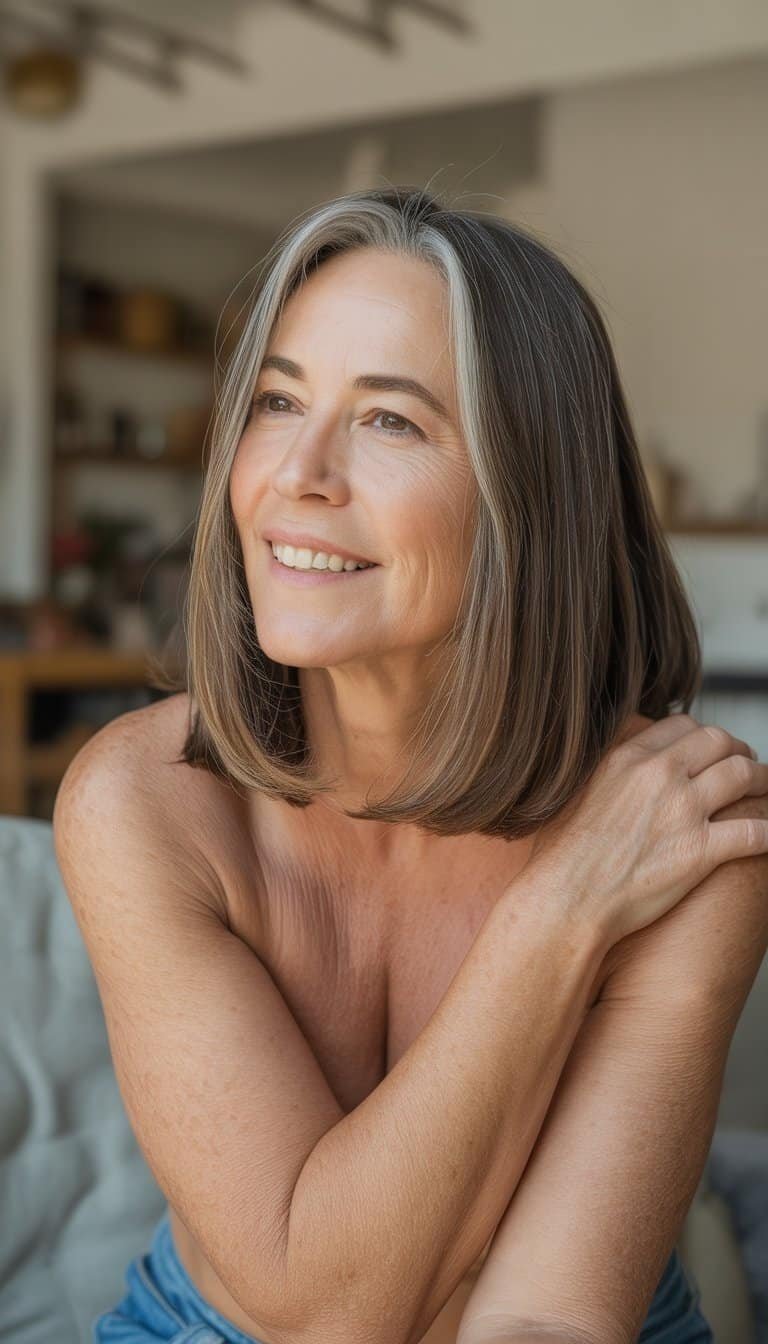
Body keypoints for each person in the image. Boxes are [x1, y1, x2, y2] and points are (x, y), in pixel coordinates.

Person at [53, 186, 768, 1344]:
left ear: (530, 493)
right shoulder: (142, 800)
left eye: (390, 421)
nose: (299, 472)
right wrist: (560, 915)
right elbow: (308, 1312)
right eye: (279, 400)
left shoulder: (686, 825)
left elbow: (547, 1317)